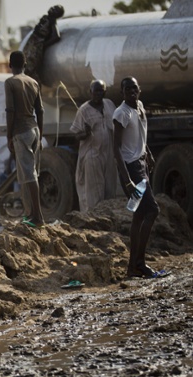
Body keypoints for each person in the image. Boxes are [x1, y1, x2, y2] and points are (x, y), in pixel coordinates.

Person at [113, 77, 167, 279]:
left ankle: (132, 267)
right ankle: (139, 263)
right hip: (132, 169)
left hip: (142, 165)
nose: (131, 91)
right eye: (127, 89)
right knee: (152, 210)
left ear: (139, 90)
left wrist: (149, 154)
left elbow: (140, 136)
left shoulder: (139, 106)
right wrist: (127, 180)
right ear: (121, 93)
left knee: (138, 214)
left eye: (134, 88)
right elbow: (116, 148)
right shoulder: (121, 113)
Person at [4, 51, 45, 228]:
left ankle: (38, 217)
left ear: (9, 65)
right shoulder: (33, 82)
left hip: (20, 131)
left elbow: (10, 111)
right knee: (27, 175)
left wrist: (9, 135)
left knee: (29, 175)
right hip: (34, 129)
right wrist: (40, 132)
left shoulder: (11, 82)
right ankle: (30, 215)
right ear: (25, 64)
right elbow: (40, 110)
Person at [71, 80, 118, 212]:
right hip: (92, 155)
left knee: (110, 190)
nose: (98, 93)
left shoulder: (109, 105)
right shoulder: (83, 110)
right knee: (94, 193)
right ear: (90, 92)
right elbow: (75, 136)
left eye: (100, 90)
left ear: (105, 92)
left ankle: (108, 220)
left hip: (108, 154)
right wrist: (84, 134)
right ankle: (94, 220)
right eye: (95, 91)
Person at [23, 5, 65, 85]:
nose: (52, 8)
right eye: (54, 7)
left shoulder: (52, 21)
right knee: (26, 68)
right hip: (31, 46)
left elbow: (56, 36)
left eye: (55, 9)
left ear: (57, 14)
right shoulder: (46, 18)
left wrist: (43, 45)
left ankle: (35, 89)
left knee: (31, 69)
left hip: (35, 48)